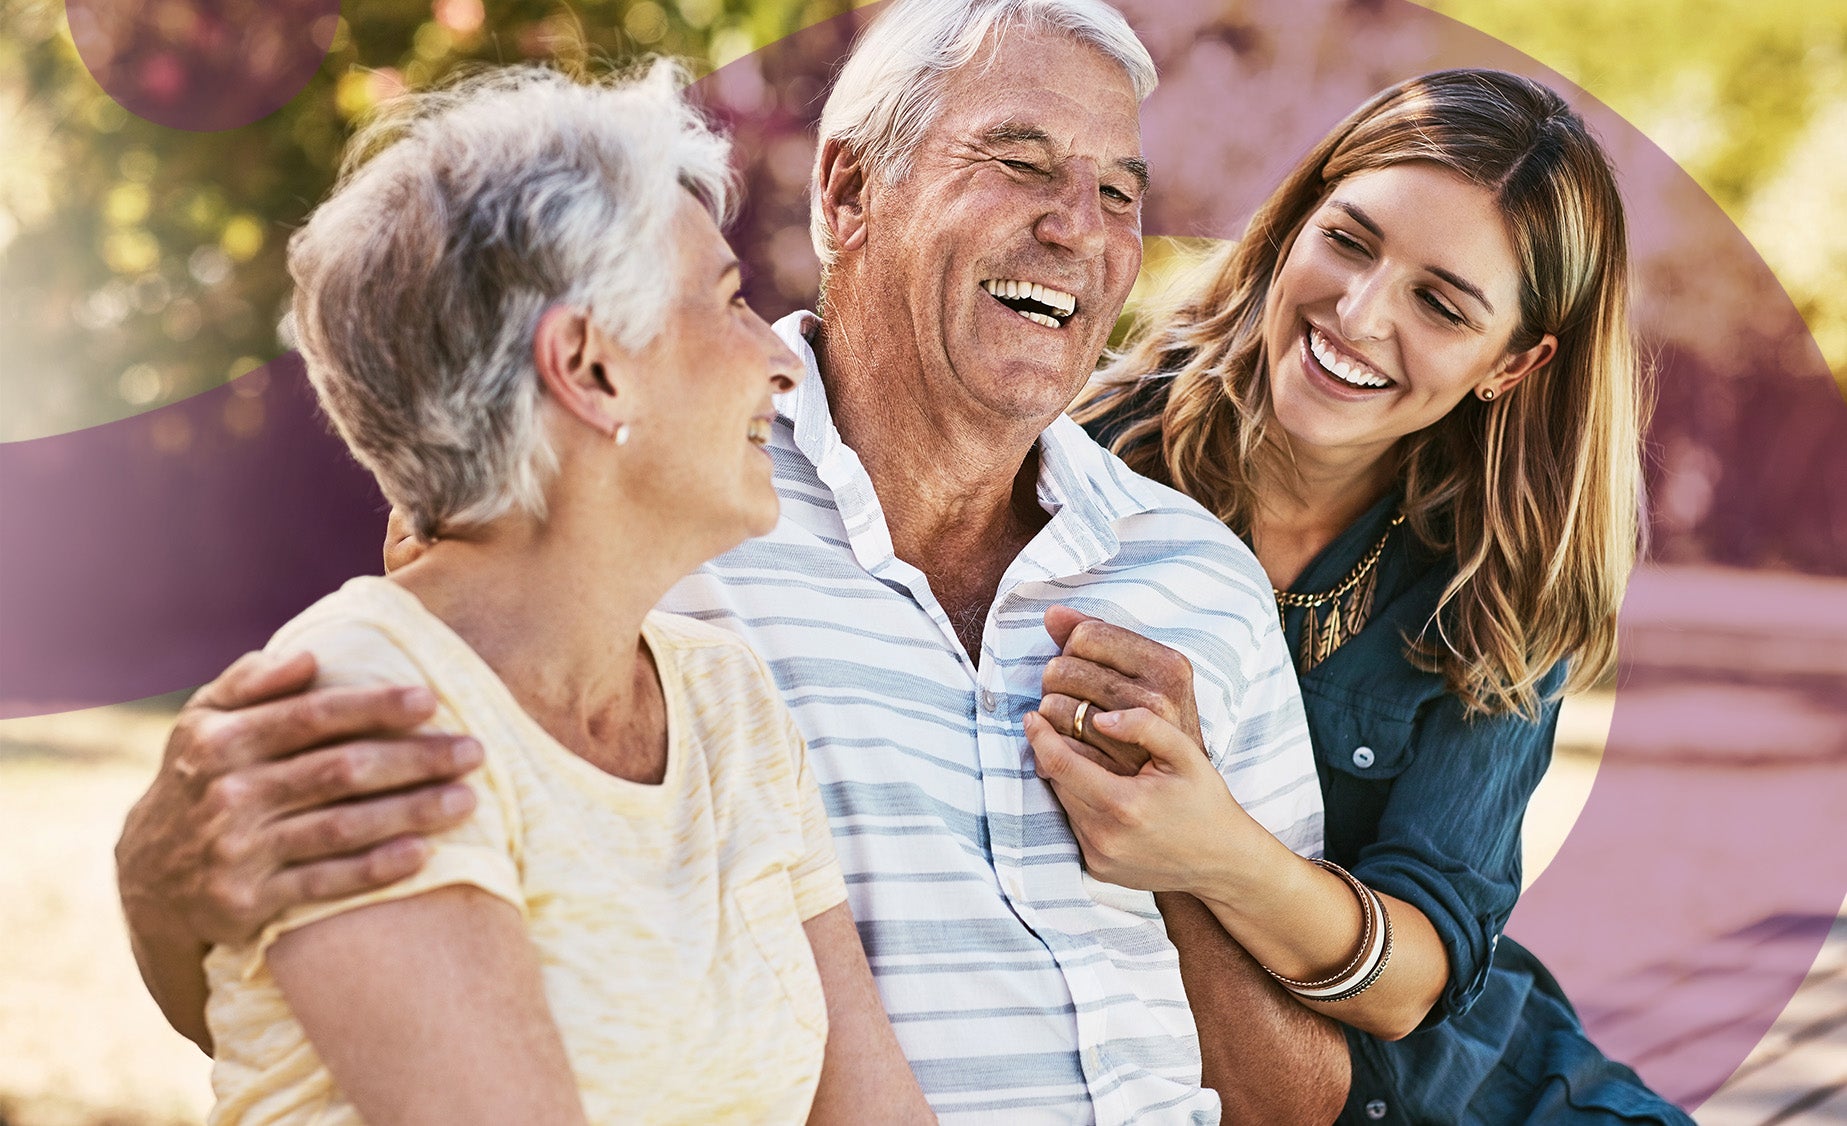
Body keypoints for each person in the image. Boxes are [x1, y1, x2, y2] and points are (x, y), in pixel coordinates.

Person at [116, 1, 1350, 1121]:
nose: (1077, 227)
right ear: (848, 193)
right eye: (1019, 161)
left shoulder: (725, 688)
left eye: (1121, 193)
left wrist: (1193, 851)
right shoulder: (588, 577)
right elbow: (337, 833)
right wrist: (164, 881)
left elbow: (1298, 1094)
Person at [195, 62, 933, 1124]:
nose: (778, 356)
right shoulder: (357, 707)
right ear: (587, 368)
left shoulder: (725, 702)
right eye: (728, 303)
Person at [1047, 70, 1693, 1122]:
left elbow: (1415, 976)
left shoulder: (1496, 578)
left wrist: (1209, 851)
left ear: (1511, 364)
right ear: (1294, 219)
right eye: (1347, 241)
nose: (1355, 314)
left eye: (1439, 304)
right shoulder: (1087, 461)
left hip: (1487, 1092)